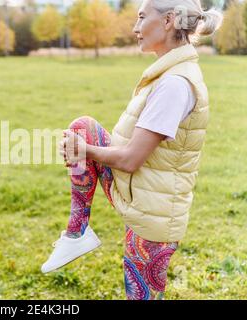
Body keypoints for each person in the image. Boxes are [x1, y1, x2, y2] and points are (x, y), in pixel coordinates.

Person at [41, 0, 223, 300]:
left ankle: (77, 234)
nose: (135, 28)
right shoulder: (166, 75)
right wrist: (84, 144)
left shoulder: (175, 84)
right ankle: (76, 232)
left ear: (167, 21)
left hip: (155, 214)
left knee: (142, 296)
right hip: (138, 194)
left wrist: (85, 150)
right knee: (82, 126)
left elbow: (130, 159)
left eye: (141, 18)